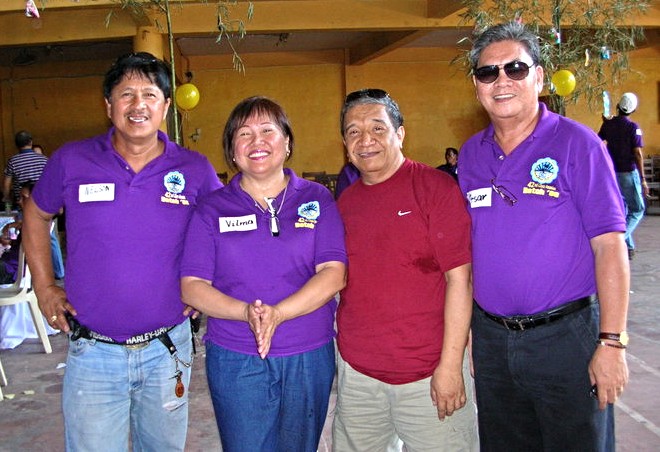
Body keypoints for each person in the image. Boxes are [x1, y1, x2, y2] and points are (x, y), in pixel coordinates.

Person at [22, 52, 222, 451]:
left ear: (166, 106)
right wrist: (44, 287)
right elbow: (36, 213)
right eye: (126, 94)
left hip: (167, 350)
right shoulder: (71, 160)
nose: (138, 104)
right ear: (108, 105)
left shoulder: (195, 169)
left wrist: (208, 285)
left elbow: (222, 229)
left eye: (150, 94)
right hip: (93, 352)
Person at [458, 21, 629, 451]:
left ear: (538, 77)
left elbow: (610, 246)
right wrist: (474, 333)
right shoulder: (472, 154)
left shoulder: (578, 144)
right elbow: (473, 250)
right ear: (476, 87)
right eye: (487, 72)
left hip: (566, 338)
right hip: (493, 340)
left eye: (515, 69)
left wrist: (611, 342)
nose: (501, 81)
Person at [180, 96, 347, 452]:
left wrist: (279, 314)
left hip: (307, 352)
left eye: (268, 130)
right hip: (236, 355)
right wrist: (245, 312)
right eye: (244, 133)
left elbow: (334, 273)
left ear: (287, 143)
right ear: (232, 151)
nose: (257, 141)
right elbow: (192, 286)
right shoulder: (211, 209)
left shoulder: (317, 199)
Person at [332, 88, 477, 451]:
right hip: (359, 378)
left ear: (400, 134)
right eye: (353, 132)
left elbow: (460, 280)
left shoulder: (435, 189)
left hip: (428, 376)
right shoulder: (345, 203)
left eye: (378, 128)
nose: (366, 140)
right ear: (345, 145)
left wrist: (451, 367)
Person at [598, 92, 648, 260]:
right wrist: (643, 179)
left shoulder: (608, 124)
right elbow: (638, 153)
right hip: (628, 173)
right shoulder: (633, 127)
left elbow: (598, 141)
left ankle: (629, 247)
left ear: (618, 106)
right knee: (637, 209)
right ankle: (619, 240)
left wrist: (607, 123)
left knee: (623, 209)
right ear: (633, 110)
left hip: (612, 174)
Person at [3, 130, 48, 210]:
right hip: (42, 204)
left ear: (16, 145)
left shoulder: (13, 161)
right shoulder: (44, 160)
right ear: (31, 142)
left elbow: (7, 184)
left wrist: (7, 198)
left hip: (22, 205)